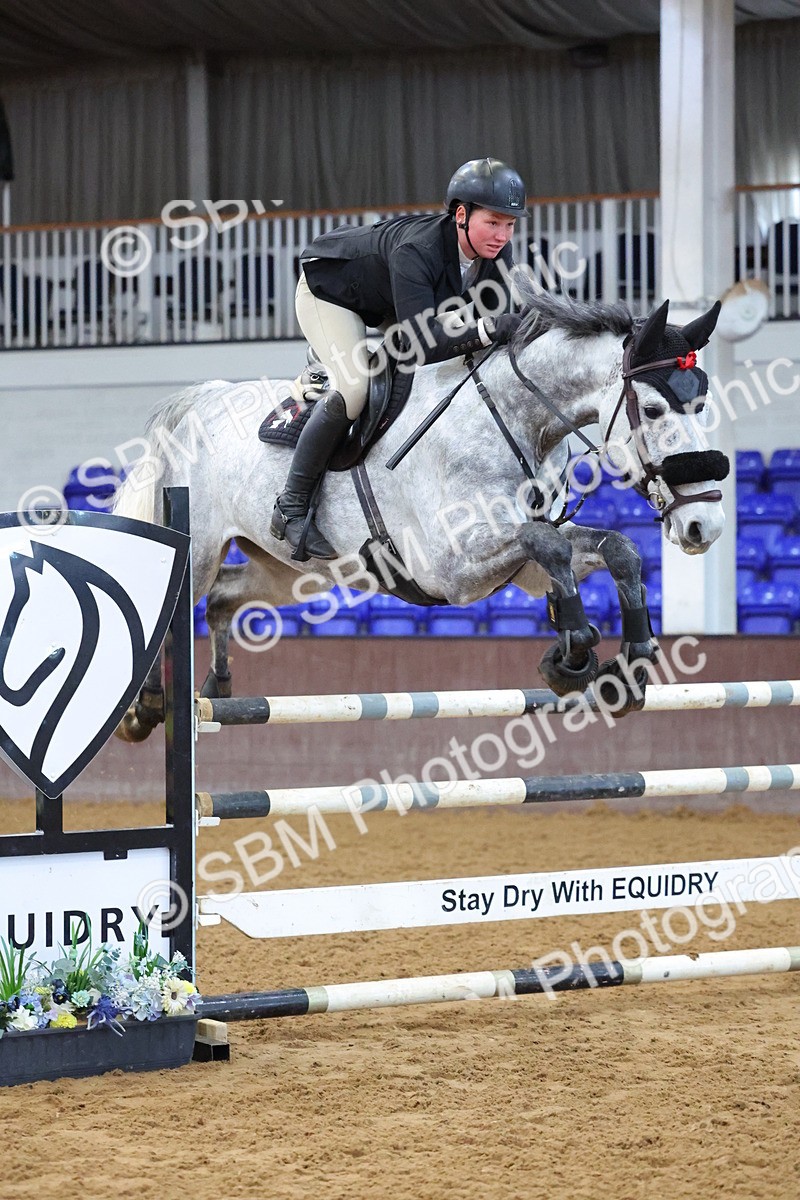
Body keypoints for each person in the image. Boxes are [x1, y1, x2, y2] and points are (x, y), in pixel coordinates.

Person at [271, 157, 527, 558]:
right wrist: (490, 328)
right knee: (355, 389)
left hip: (393, 300)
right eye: (492, 222)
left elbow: (501, 320)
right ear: (461, 216)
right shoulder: (418, 250)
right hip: (331, 293)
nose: (501, 235)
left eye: (509, 224)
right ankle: (290, 506)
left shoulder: (495, 253)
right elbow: (423, 344)